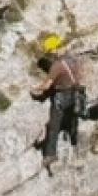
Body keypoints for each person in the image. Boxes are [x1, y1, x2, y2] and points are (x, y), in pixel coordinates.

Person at [30, 34, 86, 172]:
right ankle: (73, 139)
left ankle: (50, 155)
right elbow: (80, 74)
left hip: (62, 96)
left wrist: (34, 88)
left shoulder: (57, 66)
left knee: (53, 126)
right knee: (73, 117)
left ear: (54, 50)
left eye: (50, 52)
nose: (49, 55)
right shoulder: (73, 59)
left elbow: (46, 85)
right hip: (76, 93)